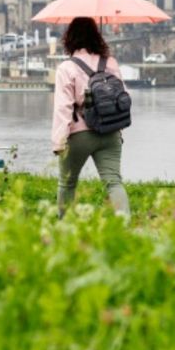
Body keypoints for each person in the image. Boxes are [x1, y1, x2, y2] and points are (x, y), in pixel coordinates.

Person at [52, 17, 130, 219]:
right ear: (97, 37)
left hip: (80, 134)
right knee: (114, 182)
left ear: (69, 38)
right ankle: (124, 225)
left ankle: (65, 226)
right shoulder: (110, 62)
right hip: (111, 133)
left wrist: (59, 141)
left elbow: (63, 108)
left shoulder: (66, 68)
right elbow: (123, 97)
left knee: (67, 183)